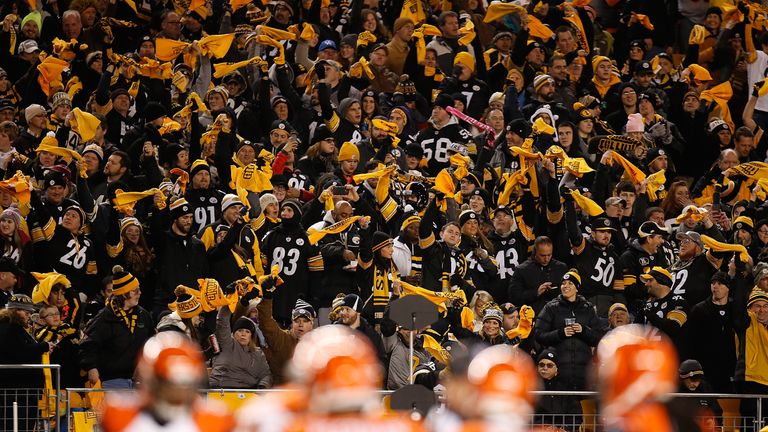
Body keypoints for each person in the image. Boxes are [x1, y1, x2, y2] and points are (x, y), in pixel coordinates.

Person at [99, 332, 234, 431]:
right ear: (152, 380)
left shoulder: (213, 420)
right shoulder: (120, 416)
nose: (180, 391)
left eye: (186, 383)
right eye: (170, 383)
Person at [79, 266, 153, 389]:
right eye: (135, 290)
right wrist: (91, 367)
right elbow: (87, 345)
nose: (140, 293)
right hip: (112, 380)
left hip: (140, 380)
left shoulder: (143, 315)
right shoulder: (104, 317)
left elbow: (152, 341)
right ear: (124, 294)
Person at [535, 270, 602, 390]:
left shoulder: (588, 308)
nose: (565, 286)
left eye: (570, 283)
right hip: (558, 373)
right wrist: (560, 333)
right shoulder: (551, 307)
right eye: (563, 283)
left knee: (583, 407)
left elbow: (599, 337)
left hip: (584, 372)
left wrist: (584, 331)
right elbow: (539, 335)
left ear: (577, 288)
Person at [0, 294, 53, 432]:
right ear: (15, 311)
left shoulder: (15, 328)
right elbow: (18, 353)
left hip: (24, 391)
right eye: (26, 312)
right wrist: (43, 346)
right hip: (16, 392)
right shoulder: (8, 329)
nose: (29, 316)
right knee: (16, 427)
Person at [209, 304, 272, 389]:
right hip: (223, 390)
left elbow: (265, 374)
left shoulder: (258, 353)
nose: (243, 334)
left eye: (247, 332)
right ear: (233, 333)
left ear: (251, 336)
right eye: (240, 330)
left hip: (248, 394)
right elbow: (222, 320)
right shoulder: (226, 344)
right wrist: (230, 302)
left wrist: (262, 386)